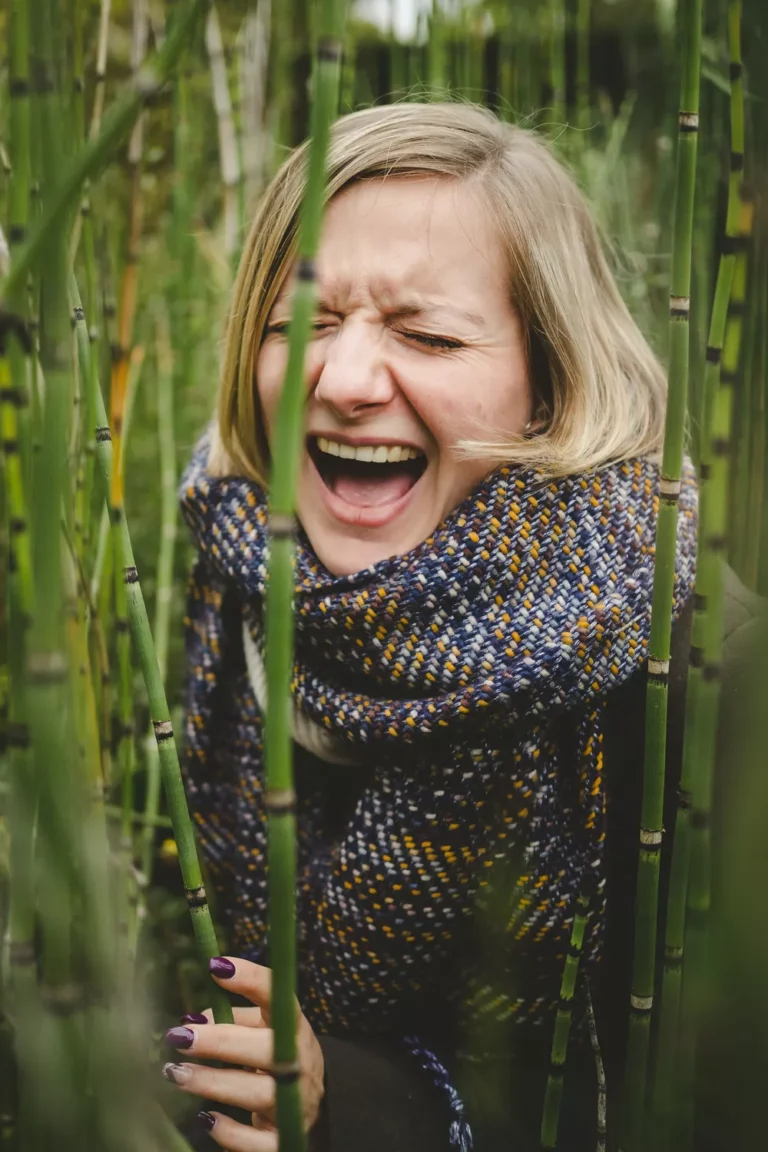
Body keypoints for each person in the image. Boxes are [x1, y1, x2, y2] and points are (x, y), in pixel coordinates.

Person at [165, 102, 765, 1151]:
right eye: (297, 324)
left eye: (429, 335)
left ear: (550, 382)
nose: (342, 381)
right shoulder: (233, 576)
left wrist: (353, 1104)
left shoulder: (717, 684)